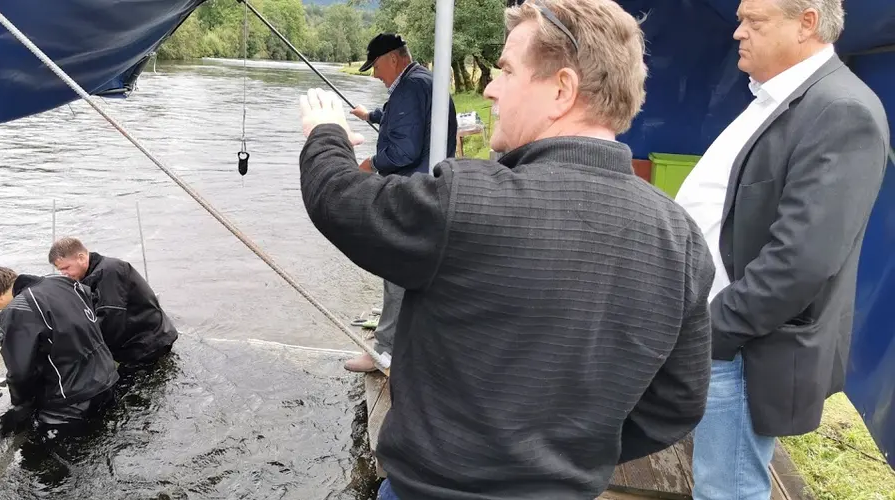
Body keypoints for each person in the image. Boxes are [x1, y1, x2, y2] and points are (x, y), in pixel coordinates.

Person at [296, 0, 716, 498]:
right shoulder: (682, 237)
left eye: (506, 71)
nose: (490, 88)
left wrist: (324, 136)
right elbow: (678, 403)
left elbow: (339, 202)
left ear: (562, 89)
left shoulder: (470, 201)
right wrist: (569, 454)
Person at [673, 1, 890, 498]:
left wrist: (712, 330)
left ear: (806, 24)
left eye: (754, 22)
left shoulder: (841, 110)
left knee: (725, 488)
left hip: (743, 347)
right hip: (725, 337)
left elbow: (801, 261)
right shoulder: (782, 97)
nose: (737, 33)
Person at [343, 33, 458, 373]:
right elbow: (407, 120)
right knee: (411, 268)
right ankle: (403, 340)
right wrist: (374, 116)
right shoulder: (420, 81)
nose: (375, 74)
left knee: (395, 265)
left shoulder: (409, 87)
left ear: (393, 58)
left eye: (376, 66)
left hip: (411, 190)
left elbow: (404, 150)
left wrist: (370, 164)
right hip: (429, 187)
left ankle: (385, 351)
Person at [0, 266, 118, 435]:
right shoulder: (61, 281)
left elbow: (20, 371)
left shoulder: (18, 308)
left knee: (38, 457)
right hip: (107, 380)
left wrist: (21, 404)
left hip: (70, 402)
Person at [48, 237, 178, 370]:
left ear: (81, 258)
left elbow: (110, 321)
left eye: (66, 268)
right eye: (60, 271)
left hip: (147, 345)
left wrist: (75, 348)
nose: (64, 274)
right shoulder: (87, 276)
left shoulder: (110, 272)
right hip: (134, 341)